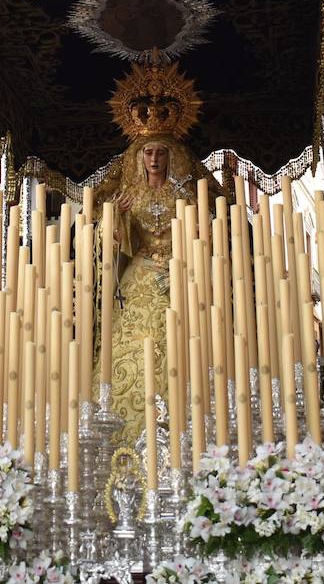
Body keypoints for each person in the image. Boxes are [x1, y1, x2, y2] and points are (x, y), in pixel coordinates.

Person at [92, 55, 227, 444]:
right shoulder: (127, 194)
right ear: (138, 157)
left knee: (184, 346)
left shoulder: (187, 193)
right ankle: (125, 429)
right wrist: (112, 220)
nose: (154, 159)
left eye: (161, 153)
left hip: (180, 278)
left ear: (172, 156)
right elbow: (111, 243)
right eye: (148, 153)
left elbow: (214, 228)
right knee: (130, 349)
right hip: (139, 277)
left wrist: (202, 231)